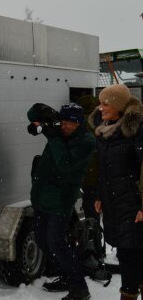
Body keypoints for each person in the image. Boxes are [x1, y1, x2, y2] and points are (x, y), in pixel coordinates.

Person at [28, 102, 95, 300]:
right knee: (41, 238)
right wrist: (48, 115)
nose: (64, 126)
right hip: (41, 197)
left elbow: (66, 164)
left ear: (78, 123)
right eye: (62, 122)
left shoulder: (86, 141)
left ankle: (80, 288)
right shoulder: (60, 129)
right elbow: (32, 113)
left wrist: (53, 136)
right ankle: (66, 275)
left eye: (69, 123)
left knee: (56, 242)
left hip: (61, 200)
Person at [89, 84, 143, 300]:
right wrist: (100, 195)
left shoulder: (136, 131)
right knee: (128, 250)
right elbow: (105, 169)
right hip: (114, 203)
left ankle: (129, 293)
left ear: (119, 106)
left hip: (132, 204)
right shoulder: (105, 130)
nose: (100, 108)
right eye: (100, 103)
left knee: (130, 252)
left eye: (106, 104)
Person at [78, 94, 101, 222]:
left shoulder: (80, 123)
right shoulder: (98, 121)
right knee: (94, 208)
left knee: (88, 205)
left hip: (85, 172)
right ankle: (95, 235)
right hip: (97, 172)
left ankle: (91, 234)